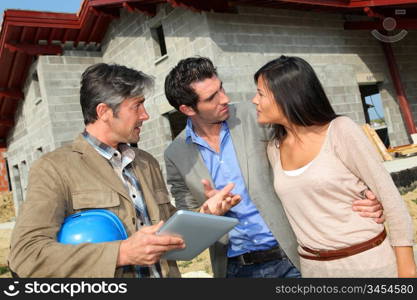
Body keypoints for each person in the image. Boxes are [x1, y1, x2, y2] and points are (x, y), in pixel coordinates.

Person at [163, 57, 385, 278]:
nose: (225, 99)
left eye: (221, 88)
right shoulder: (175, 154)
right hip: (235, 269)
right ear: (188, 109)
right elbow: (188, 216)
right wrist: (208, 214)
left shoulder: (256, 115)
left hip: (291, 257)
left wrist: (364, 192)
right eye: (212, 97)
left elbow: (312, 149)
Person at [8, 63, 234, 278]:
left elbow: (167, 231)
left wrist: (205, 214)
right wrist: (121, 253)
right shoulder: (55, 168)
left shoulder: (146, 163)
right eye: (137, 105)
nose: (145, 115)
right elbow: (26, 255)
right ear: (104, 111)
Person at [252, 55, 416, 277]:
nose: (254, 100)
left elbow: (391, 200)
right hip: (314, 269)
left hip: (367, 264)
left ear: (287, 96)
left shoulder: (340, 131)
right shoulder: (274, 148)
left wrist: (407, 271)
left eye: (261, 93)